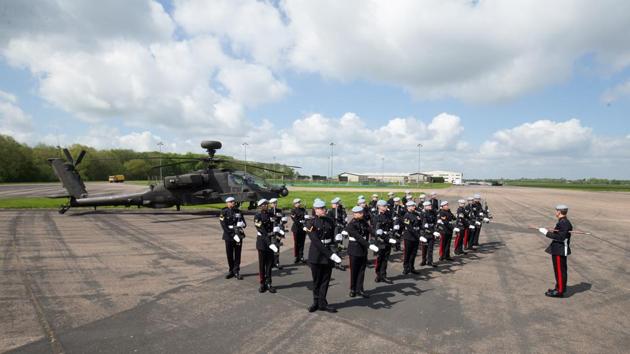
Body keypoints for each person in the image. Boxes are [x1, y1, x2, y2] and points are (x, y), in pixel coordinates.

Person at [306, 199, 342, 312]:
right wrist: (331, 255)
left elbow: (332, 236)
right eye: (320, 208)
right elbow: (316, 242)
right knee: (317, 280)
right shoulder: (310, 223)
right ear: (315, 210)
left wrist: (337, 242)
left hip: (328, 254)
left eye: (323, 208)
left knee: (325, 280)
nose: (323, 210)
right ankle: (315, 302)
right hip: (316, 255)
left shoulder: (330, 221)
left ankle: (323, 302)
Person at [538, 204, 573, 298]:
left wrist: (546, 233)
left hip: (559, 250)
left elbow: (560, 237)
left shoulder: (564, 223)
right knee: (559, 271)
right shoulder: (562, 221)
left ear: (559, 212)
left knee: (560, 271)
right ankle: (558, 288)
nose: (556, 212)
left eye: (556, 211)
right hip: (558, 249)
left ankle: (560, 291)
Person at [346, 205, 375, 298]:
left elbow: (370, 230)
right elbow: (358, 237)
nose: (362, 214)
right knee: (354, 270)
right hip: (354, 249)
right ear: (355, 214)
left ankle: (360, 289)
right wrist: (369, 245)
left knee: (362, 270)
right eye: (360, 213)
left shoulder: (364, 222)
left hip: (363, 249)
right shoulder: (351, 225)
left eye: (362, 212)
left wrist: (378, 235)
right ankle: (353, 289)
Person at [219, 197, 246, 280]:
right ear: (227, 203)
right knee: (229, 254)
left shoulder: (239, 211)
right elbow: (223, 225)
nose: (233, 203)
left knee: (237, 254)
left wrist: (242, 224)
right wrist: (232, 234)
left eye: (233, 201)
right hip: (229, 236)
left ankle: (236, 271)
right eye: (231, 202)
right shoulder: (223, 212)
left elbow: (244, 223)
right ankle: (231, 270)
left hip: (238, 235)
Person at [254, 199, 276, 293]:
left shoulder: (271, 214)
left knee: (269, 264)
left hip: (270, 240)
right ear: (260, 206)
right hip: (262, 242)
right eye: (264, 205)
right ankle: (262, 283)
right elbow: (262, 231)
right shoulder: (257, 216)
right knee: (262, 264)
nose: (266, 206)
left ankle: (269, 283)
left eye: (267, 204)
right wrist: (269, 243)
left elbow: (274, 225)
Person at [372, 200, 394, 283]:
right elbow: (377, 231)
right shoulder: (376, 217)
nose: (386, 207)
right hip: (381, 241)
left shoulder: (388, 215)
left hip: (388, 239)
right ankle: (378, 275)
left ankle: (383, 275)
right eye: (384, 206)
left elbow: (390, 227)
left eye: (386, 206)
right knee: (379, 258)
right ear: (379, 206)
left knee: (386, 258)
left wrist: (391, 235)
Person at [328, 197, 348, 271]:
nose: (336, 205)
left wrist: (343, 223)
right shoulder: (330, 212)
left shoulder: (340, 211)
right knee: (334, 246)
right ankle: (335, 262)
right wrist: (335, 223)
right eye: (335, 204)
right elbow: (329, 222)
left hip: (340, 230)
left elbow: (343, 219)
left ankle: (337, 262)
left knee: (339, 246)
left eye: (337, 204)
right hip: (334, 231)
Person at [402, 201, 421, 274]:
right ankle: (406, 268)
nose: (414, 207)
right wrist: (418, 235)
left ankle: (411, 267)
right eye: (412, 206)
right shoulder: (406, 216)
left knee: (413, 253)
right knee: (407, 253)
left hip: (416, 237)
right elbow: (409, 227)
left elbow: (420, 224)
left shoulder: (416, 214)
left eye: (414, 205)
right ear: (408, 207)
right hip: (409, 237)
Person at [269, 198, 287, 269]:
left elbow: (283, 220)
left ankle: (276, 262)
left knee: (277, 246)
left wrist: (283, 221)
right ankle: (270, 262)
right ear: (270, 204)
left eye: (275, 203)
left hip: (278, 231)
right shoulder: (269, 211)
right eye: (273, 203)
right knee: (271, 247)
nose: (275, 204)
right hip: (271, 231)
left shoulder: (280, 211)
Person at [420, 201, 438, 267]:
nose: (430, 206)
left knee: (430, 248)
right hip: (425, 233)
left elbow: (435, 222)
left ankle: (430, 261)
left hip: (432, 232)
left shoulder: (433, 212)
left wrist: (435, 230)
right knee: (424, 248)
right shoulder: (422, 213)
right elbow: (423, 225)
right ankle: (423, 260)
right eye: (428, 205)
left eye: (430, 205)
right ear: (425, 206)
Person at [290, 198, 307, 264]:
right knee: (296, 243)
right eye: (297, 203)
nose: (299, 204)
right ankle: (296, 256)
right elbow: (295, 220)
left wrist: (305, 218)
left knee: (302, 243)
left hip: (303, 228)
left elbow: (306, 217)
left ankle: (301, 256)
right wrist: (301, 222)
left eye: (299, 202)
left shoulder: (303, 209)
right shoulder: (293, 211)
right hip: (296, 229)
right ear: (294, 204)